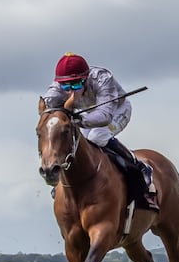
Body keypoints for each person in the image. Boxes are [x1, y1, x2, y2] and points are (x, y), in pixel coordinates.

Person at [42, 52, 158, 211]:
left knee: (98, 137)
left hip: (116, 111)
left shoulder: (102, 79)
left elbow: (105, 116)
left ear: (86, 77)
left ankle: (140, 167)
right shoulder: (56, 87)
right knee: (74, 142)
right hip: (85, 113)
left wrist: (77, 118)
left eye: (76, 85)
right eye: (66, 86)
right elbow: (50, 113)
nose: (70, 90)